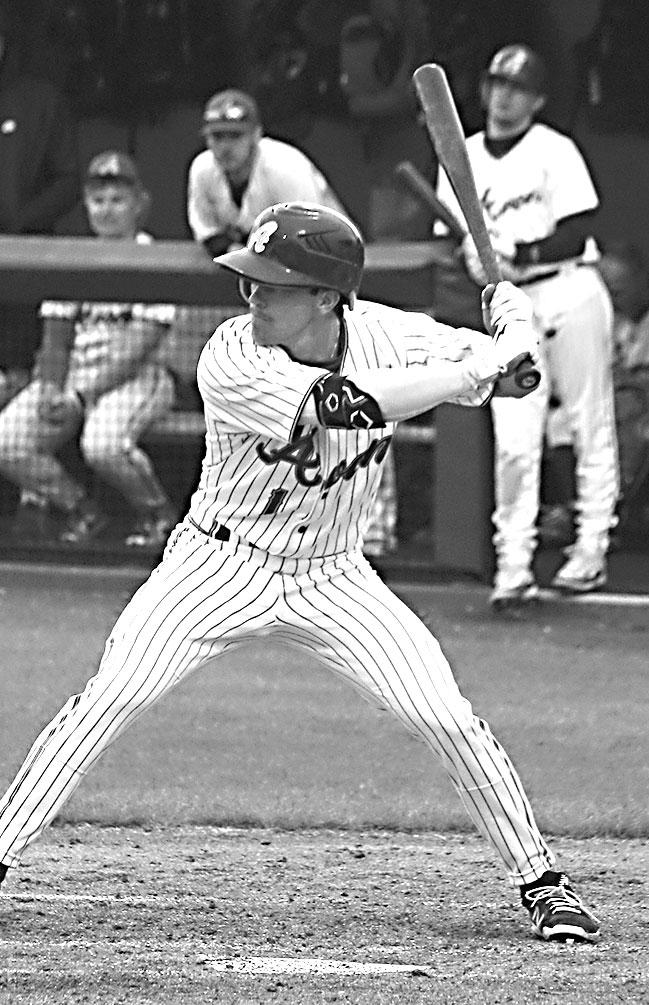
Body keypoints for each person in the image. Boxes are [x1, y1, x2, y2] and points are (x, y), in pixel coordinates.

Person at [0, 202, 601, 945]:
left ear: (325, 297)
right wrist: (475, 364)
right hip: (217, 564)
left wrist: (512, 332)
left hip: (334, 574)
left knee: (443, 714)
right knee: (110, 696)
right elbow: (348, 407)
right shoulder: (231, 353)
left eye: (273, 284)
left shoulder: (393, 335)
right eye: (250, 280)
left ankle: (541, 881)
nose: (252, 295)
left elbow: (506, 379)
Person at [436, 44, 619, 607]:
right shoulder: (462, 156)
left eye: (518, 88)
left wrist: (524, 250)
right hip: (513, 310)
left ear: (537, 99)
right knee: (515, 440)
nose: (504, 97)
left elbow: (578, 230)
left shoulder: (554, 150)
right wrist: (473, 256)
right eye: (498, 84)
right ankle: (513, 564)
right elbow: (449, 239)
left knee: (587, 423)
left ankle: (591, 548)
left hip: (568, 290)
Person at [0, 150, 177, 548]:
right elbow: (55, 339)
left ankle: (159, 514)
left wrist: (80, 397)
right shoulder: (75, 256)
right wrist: (51, 387)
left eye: (117, 199)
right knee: (7, 441)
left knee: (103, 446)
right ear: (86, 205)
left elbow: (139, 348)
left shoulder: (155, 257)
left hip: (139, 378)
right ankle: (80, 509)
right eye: (98, 200)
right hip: (75, 376)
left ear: (140, 204)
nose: (107, 209)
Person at [0, 2, 80, 374]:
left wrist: (19, 224)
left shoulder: (41, 101)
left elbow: (67, 181)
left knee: (16, 369)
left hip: (24, 265)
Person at [187, 88, 350, 258]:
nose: (225, 147)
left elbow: (308, 236)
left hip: (332, 253)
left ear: (256, 135)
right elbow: (207, 231)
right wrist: (232, 250)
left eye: (235, 136)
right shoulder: (202, 169)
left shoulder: (286, 167)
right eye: (217, 136)